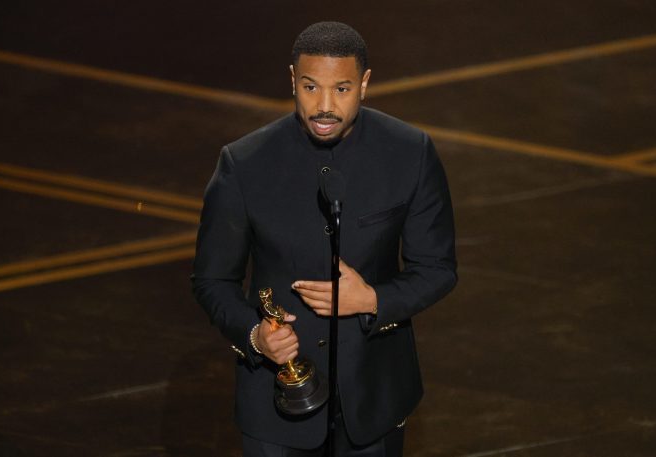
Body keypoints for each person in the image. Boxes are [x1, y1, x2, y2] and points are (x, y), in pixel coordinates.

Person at [192, 21, 457, 456]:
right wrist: (256, 336)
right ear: (292, 79)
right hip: (274, 405)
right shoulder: (244, 164)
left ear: (364, 84)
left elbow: (437, 268)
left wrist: (372, 299)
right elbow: (212, 280)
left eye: (342, 89)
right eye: (311, 87)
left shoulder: (410, 152)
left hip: (374, 398)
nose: (325, 107)